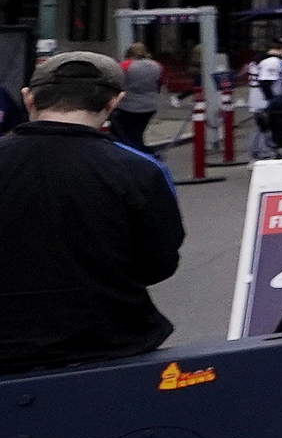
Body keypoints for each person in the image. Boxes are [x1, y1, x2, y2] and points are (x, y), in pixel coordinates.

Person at [0, 51, 187, 374]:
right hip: (110, 340)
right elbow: (158, 263)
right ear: (114, 103)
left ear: (29, 98)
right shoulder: (140, 170)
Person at [113, 44, 164, 154]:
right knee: (138, 133)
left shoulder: (125, 65)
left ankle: (137, 156)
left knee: (123, 134)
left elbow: (116, 83)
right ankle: (145, 153)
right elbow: (159, 84)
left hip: (127, 106)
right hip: (150, 105)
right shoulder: (156, 66)